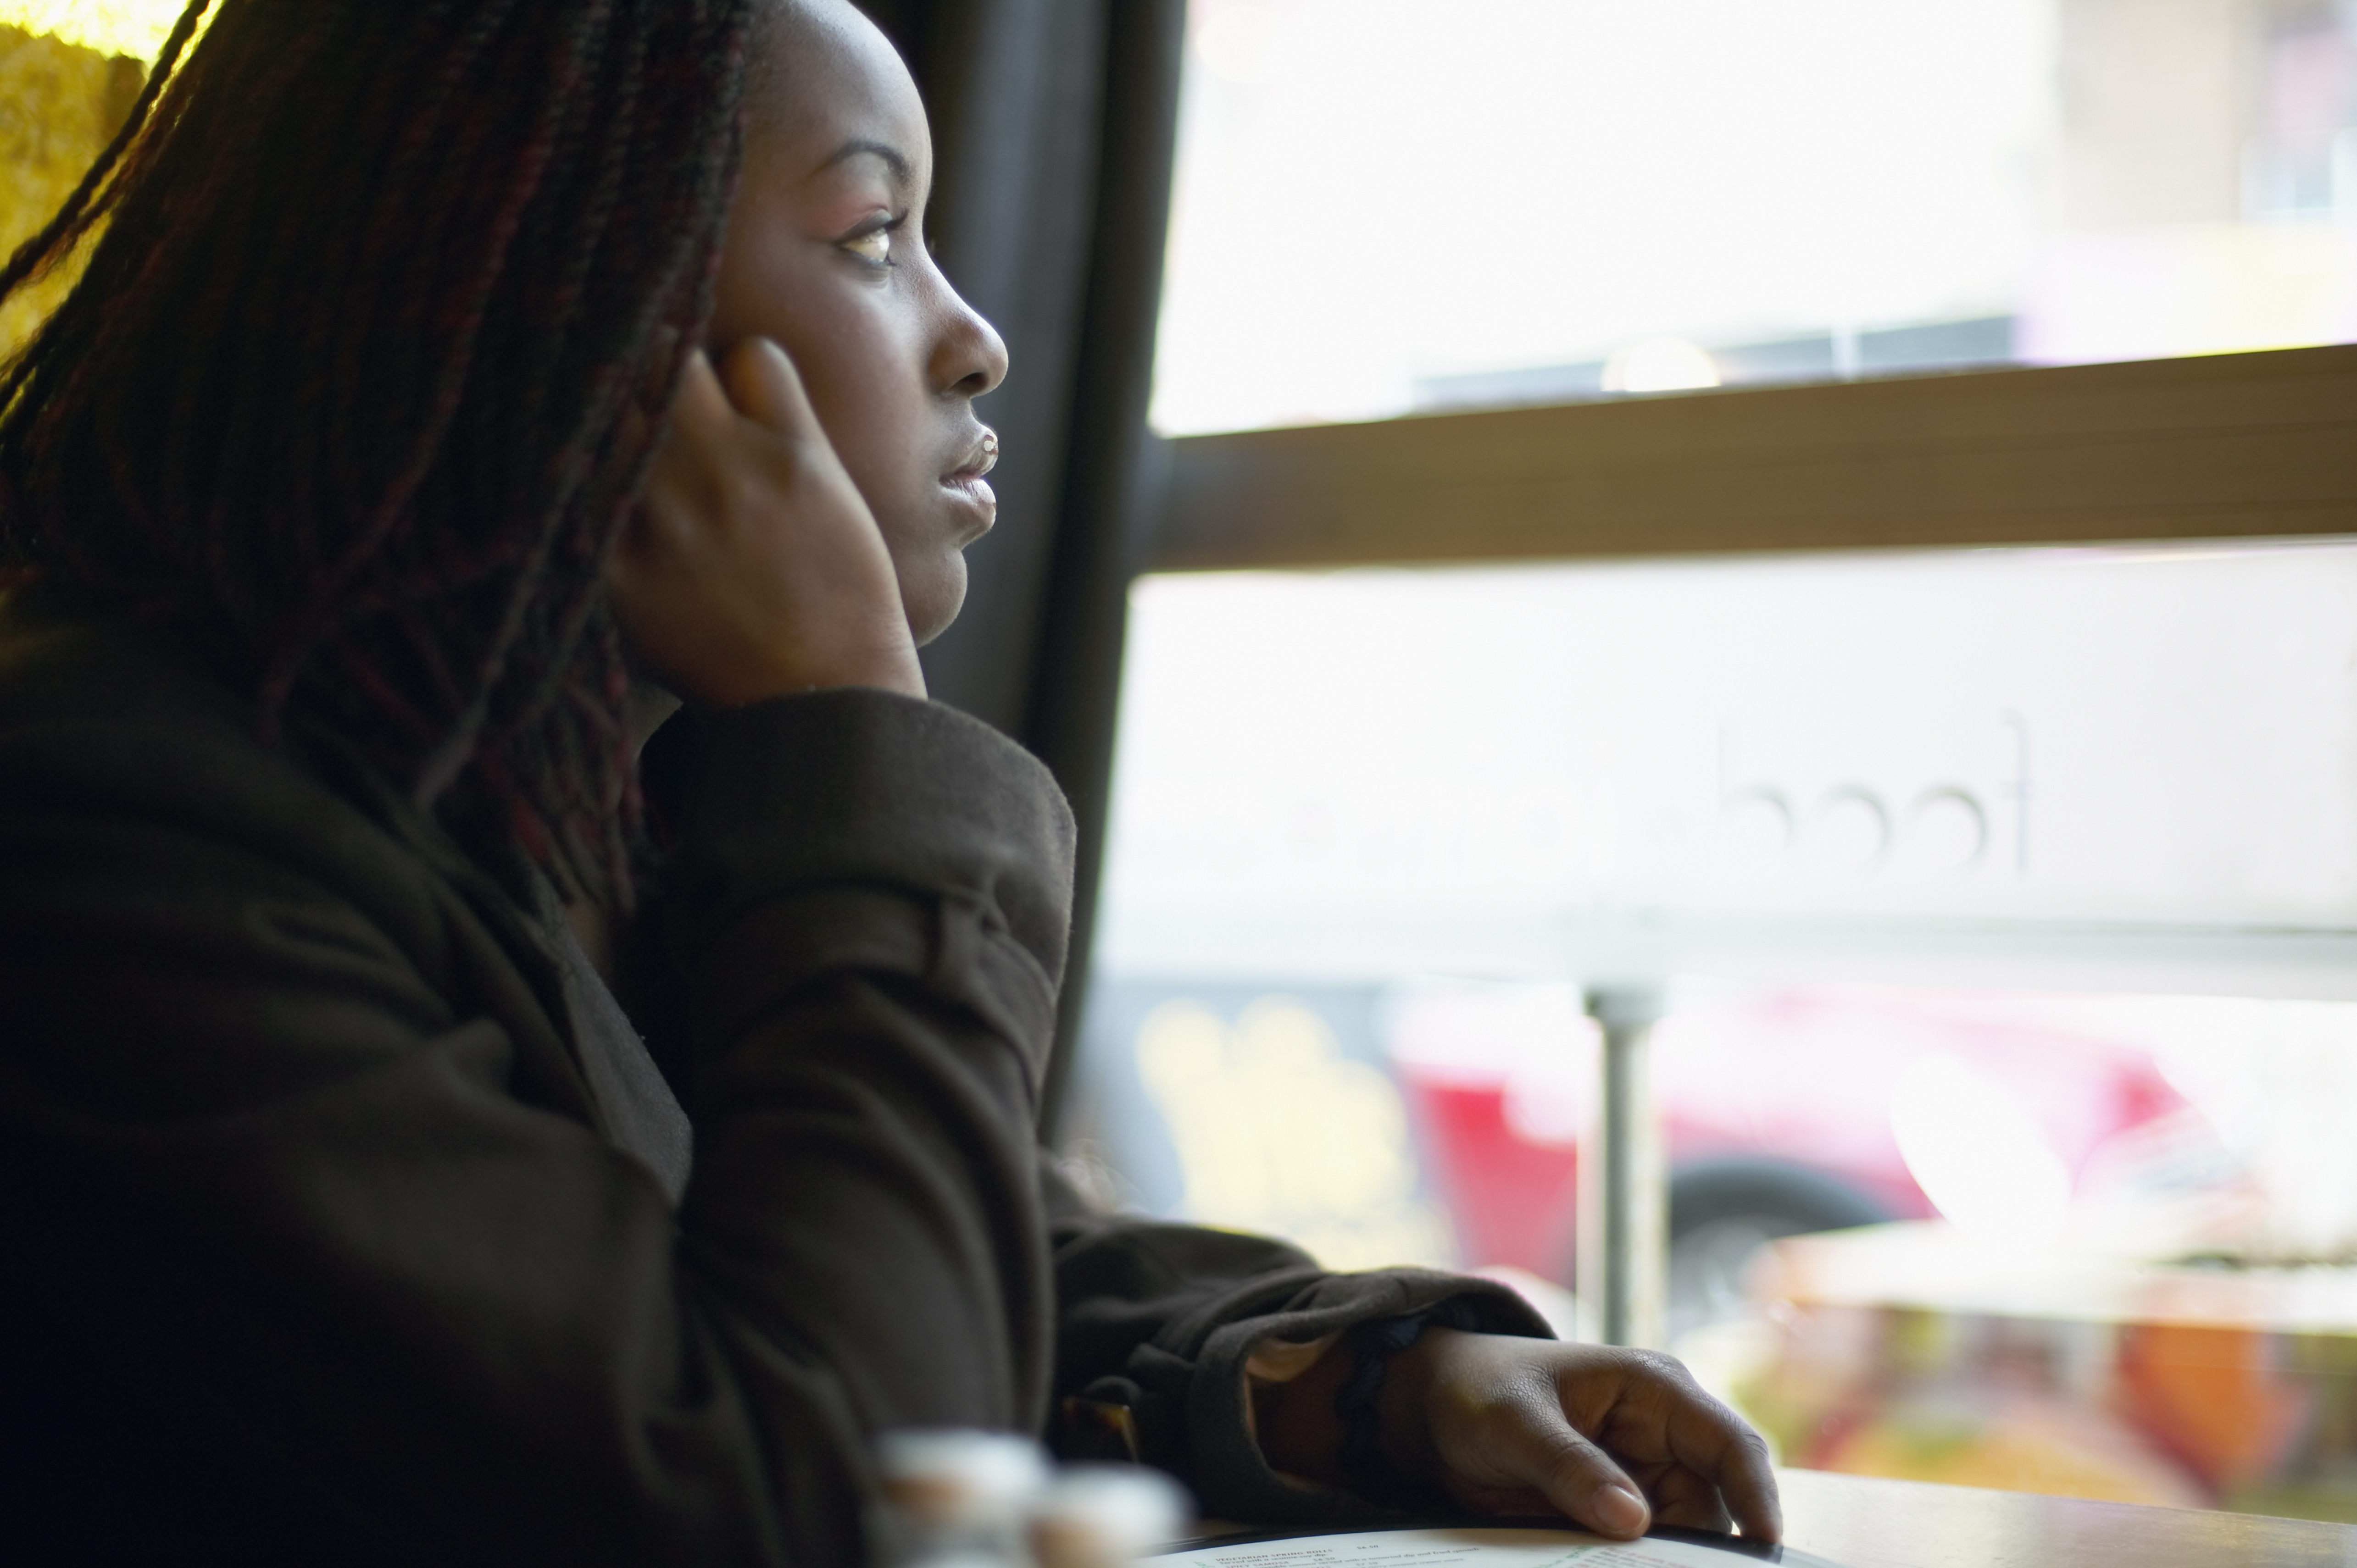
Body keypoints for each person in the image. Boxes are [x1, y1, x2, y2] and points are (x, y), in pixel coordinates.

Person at [0, 1, 1780, 1562]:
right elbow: (829, 1489)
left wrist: (1371, 1384)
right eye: (873, 233)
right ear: (580, 300)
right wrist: (846, 717)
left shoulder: (508, 806)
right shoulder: (121, 852)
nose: (973, 336)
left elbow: (902, 1255)